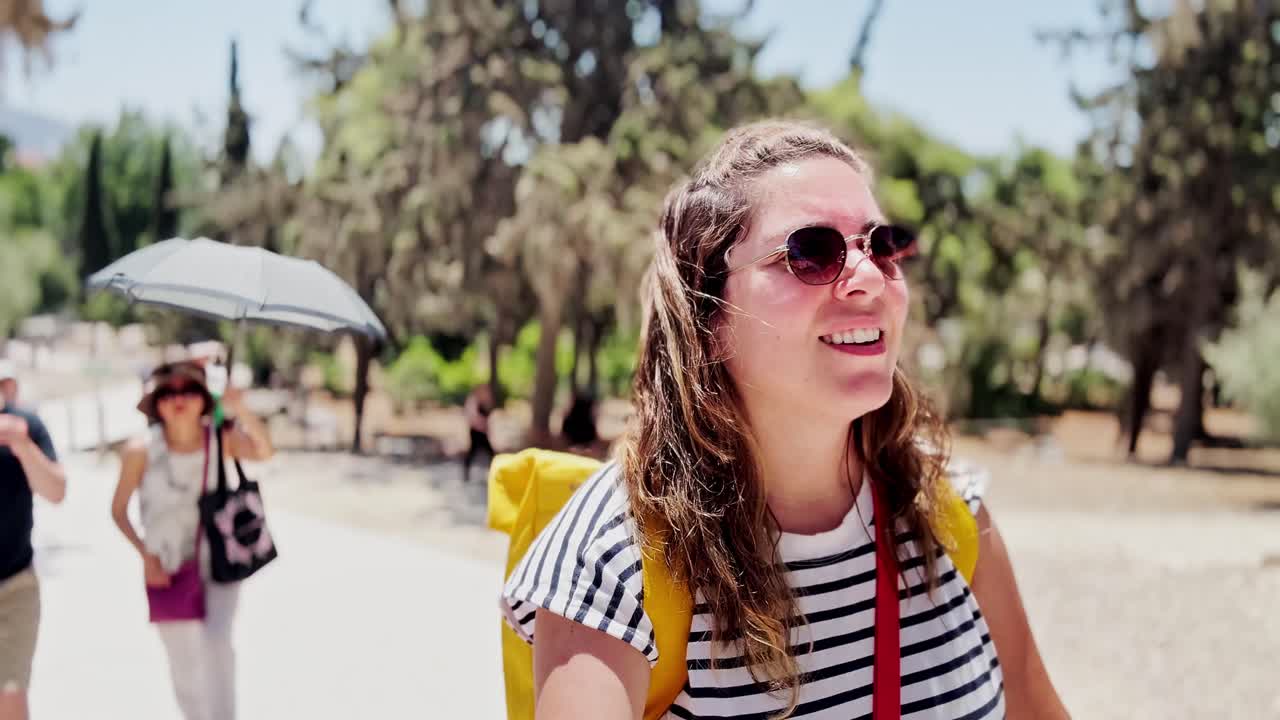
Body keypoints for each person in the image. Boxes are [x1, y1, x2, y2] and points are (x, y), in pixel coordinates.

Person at [500, 121, 1069, 719]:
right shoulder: (612, 559)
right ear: (709, 319)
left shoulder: (948, 507)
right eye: (811, 253)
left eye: (881, 246)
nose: (870, 278)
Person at [110, 360, 273, 720]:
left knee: (216, 642)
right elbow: (118, 511)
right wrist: (145, 556)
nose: (179, 400)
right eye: (169, 393)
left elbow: (264, 451)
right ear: (157, 404)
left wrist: (240, 408)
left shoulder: (220, 437)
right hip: (166, 566)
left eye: (188, 391)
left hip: (218, 561)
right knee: (184, 663)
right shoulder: (140, 451)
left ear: (203, 399)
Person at [0, 362, 66, 720]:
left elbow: (56, 491)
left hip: (15, 586)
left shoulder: (26, 426)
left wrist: (22, 445)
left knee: (10, 694)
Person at [462, 384, 495, 482]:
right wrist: (482, 424)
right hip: (477, 431)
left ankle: (493, 473)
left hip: (481, 431)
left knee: (488, 453)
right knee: (475, 452)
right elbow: (472, 416)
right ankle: (466, 474)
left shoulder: (482, 401)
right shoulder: (473, 400)